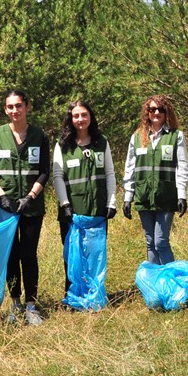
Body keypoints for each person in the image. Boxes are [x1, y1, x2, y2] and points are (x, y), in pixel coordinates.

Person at [0, 89, 51, 326]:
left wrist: (31, 196)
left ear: (27, 107)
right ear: (5, 109)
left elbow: (45, 171)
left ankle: (31, 305)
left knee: (28, 255)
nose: (15, 110)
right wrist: (1, 195)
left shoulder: (39, 135)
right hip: (5, 207)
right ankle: (15, 303)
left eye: (19, 106)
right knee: (11, 256)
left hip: (32, 207)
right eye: (10, 107)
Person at [52, 100, 117, 294]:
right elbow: (58, 177)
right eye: (76, 116)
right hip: (72, 210)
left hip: (97, 209)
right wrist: (65, 205)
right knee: (72, 253)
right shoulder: (62, 145)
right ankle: (72, 291)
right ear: (70, 119)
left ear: (90, 117)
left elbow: (110, 173)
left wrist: (111, 203)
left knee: (95, 253)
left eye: (84, 115)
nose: (80, 119)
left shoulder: (101, 142)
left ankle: (93, 291)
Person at [122, 95, 188, 266]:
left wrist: (182, 196)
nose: (156, 113)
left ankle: (172, 282)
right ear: (147, 112)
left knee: (161, 241)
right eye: (152, 109)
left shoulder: (176, 136)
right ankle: (154, 284)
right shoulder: (137, 137)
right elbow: (130, 167)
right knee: (150, 243)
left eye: (161, 109)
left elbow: (182, 167)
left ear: (167, 113)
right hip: (143, 196)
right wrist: (128, 197)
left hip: (166, 196)